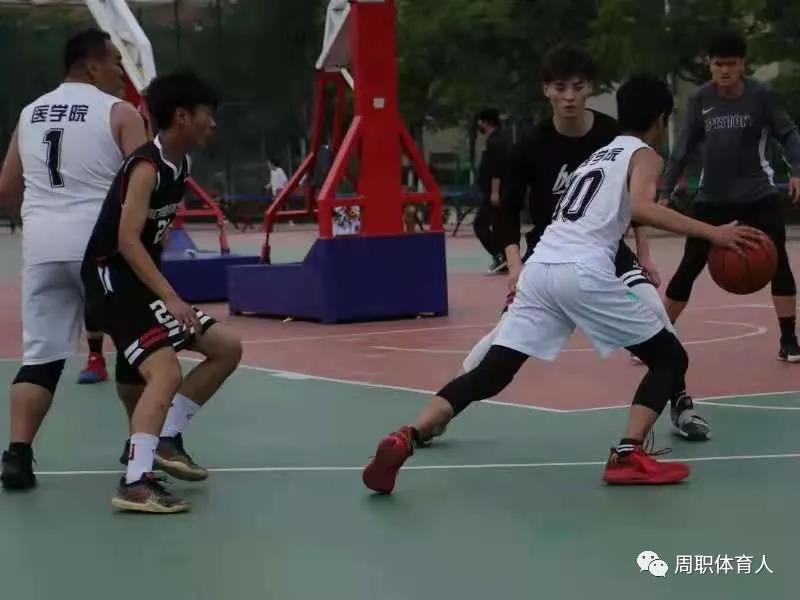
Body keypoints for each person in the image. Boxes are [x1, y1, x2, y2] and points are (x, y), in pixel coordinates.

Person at [362, 74, 763, 495]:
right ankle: (628, 455)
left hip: (540, 268)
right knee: (670, 358)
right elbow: (643, 208)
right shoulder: (645, 154)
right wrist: (714, 233)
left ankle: (407, 435)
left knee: (493, 372)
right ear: (662, 119)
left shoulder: (598, 155)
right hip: (582, 270)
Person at [461, 45, 710, 442]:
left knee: (656, 313)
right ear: (546, 90)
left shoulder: (614, 135)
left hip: (606, 250)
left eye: (578, 87)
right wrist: (515, 268)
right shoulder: (529, 144)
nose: (569, 96)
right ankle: (447, 405)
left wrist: (644, 254)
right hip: (548, 253)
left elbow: (636, 201)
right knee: (497, 345)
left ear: (590, 88)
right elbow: (506, 211)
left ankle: (680, 404)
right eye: (560, 88)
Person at [81, 71, 243, 514]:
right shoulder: (146, 167)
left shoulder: (181, 165)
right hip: (110, 279)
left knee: (226, 347)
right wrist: (169, 297)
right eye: (208, 114)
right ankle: (135, 482)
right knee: (165, 373)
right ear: (182, 116)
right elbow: (127, 240)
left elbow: (157, 237)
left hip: (139, 282)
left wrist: (161, 294)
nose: (214, 124)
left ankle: (166, 437)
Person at [0, 29, 149, 490]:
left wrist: (36, 219)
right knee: (136, 346)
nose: (121, 72)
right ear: (91, 65)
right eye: (115, 62)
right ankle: (139, 446)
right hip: (102, 246)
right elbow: (146, 182)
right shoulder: (120, 113)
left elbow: (6, 187)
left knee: (40, 356)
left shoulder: (29, 113)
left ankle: (17, 455)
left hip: (43, 247)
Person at [661, 30, 800, 362]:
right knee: (690, 264)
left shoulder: (761, 95)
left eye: (731, 64)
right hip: (713, 197)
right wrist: (665, 191)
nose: (724, 70)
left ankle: (789, 340)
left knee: (778, 261)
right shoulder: (700, 99)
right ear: (710, 65)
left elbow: (789, 133)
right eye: (718, 64)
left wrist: (797, 169)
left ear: (742, 65)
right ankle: (659, 339)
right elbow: (682, 149)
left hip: (758, 194)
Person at [474, 108, 510, 273]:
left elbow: (497, 169)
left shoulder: (496, 142)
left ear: (485, 122)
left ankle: (501, 255)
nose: (478, 125)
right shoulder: (497, 139)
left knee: (480, 224)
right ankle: (503, 257)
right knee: (496, 225)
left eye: (480, 121)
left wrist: (495, 192)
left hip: (495, 192)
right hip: (492, 191)